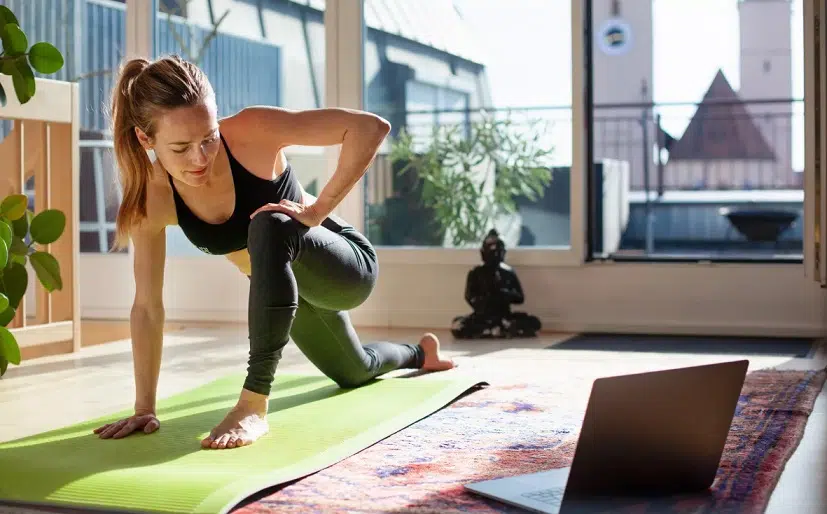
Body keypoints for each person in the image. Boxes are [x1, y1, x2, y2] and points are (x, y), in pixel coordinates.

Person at [92, 55, 455, 450]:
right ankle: (421, 353)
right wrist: (145, 406)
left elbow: (369, 128)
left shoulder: (251, 130)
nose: (200, 158)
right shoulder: (151, 199)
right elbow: (147, 306)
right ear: (147, 140)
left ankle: (253, 405)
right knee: (355, 371)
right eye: (180, 148)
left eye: (209, 138)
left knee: (266, 224)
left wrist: (317, 211)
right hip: (282, 296)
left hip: (345, 268)